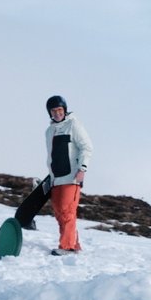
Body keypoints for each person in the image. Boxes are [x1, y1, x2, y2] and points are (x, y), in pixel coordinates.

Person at [44, 95, 93, 255]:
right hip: (56, 178)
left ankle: (67, 247)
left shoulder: (73, 125)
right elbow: (51, 156)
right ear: (49, 113)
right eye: (54, 111)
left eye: (60, 110)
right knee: (59, 213)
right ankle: (74, 244)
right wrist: (51, 177)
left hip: (72, 176)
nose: (57, 113)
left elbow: (86, 147)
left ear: (64, 110)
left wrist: (82, 169)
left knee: (67, 211)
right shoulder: (49, 131)